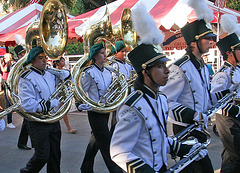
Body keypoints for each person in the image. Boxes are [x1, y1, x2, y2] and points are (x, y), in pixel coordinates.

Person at [110, 43, 208, 173]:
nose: (167, 71)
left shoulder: (161, 99)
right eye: (160, 67)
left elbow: (158, 138)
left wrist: (188, 149)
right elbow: (118, 152)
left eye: (165, 65)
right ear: (146, 72)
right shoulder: (133, 107)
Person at [159, 18, 226, 172]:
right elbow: (165, 101)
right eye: (207, 38)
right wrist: (193, 114)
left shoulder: (202, 66)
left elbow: (205, 97)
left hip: (199, 128)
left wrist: (226, 94)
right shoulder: (179, 68)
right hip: (185, 129)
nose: (211, 41)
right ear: (194, 42)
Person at [18, 46, 71, 173]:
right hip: (38, 122)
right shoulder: (26, 77)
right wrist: (52, 103)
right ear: (32, 61)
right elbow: (27, 104)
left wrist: (58, 71)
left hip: (53, 120)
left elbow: (69, 78)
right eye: (40, 58)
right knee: (42, 156)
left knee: (55, 156)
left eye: (45, 58)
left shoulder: (50, 74)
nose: (44, 61)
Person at [78, 42, 122, 173]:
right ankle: (116, 171)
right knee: (105, 142)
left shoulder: (108, 71)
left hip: (106, 110)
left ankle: (85, 167)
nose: (105, 56)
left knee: (96, 140)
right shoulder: (89, 72)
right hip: (95, 111)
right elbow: (81, 90)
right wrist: (80, 104)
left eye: (105, 53)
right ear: (95, 56)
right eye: (102, 54)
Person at [211, 33, 240, 172]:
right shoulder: (222, 74)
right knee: (235, 154)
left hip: (237, 115)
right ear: (229, 53)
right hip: (227, 117)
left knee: (231, 156)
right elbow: (215, 101)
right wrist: (234, 110)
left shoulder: (237, 69)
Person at [13, 45, 31, 150]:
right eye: (23, 53)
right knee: (28, 120)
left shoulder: (25, 64)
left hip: (26, 93)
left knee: (28, 120)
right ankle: (24, 142)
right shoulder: (17, 66)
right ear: (20, 55)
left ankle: (22, 142)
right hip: (22, 94)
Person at [53, 57, 77, 134]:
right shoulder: (55, 72)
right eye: (62, 61)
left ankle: (68, 127)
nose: (64, 62)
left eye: (64, 60)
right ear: (57, 63)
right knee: (63, 111)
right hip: (58, 93)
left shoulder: (65, 71)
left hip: (63, 93)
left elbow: (71, 80)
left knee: (63, 110)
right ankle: (69, 127)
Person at [1, 53, 15, 128]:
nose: (4, 59)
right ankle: (9, 121)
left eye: (5, 58)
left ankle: (9, 122)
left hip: (8, 85)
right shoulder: (7, 64)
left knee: (9, 103)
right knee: (8, 102)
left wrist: (0, 64)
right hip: (6, 85)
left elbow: (4, 70)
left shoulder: (10, 63)